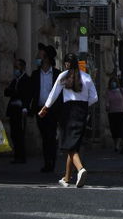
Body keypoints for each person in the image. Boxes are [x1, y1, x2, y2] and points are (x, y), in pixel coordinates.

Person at [39, 53, 98, 187]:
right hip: (82, 111)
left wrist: (45, 107)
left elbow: (53, 93)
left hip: (68, 111)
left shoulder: (63, 76)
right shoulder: (87, 77)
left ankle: (80, 169)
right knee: (74, 145)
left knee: (68, 145)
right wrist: (84, 105)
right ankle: (66, 178)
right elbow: (95, 98)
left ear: (66, 63)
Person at [3, 57, 36, 165]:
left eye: (17, 67)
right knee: (14, 133)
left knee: (19, 134)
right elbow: (7, 92)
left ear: (22, 67)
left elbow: (27, 95)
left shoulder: (27, 80)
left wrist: (25, 106)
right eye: (14, 67)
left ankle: (21, 156)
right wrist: (14, 92)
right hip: (13, 109)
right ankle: (17, 155)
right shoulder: (15, 80)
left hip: (21, 110)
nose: (15, 70)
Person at [34, 44, 59, 173]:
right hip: (40, 110)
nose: (38, 58)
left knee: (51, 136)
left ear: (47, 58)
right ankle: (46, 161)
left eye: (40, 56)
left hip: (52, 111)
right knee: (44, 137)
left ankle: (51, 161)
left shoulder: (56, 74)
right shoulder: (35, 74)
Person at [105, 74, 123, 147]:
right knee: (113, 129)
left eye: (114, 81)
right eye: (112, 82)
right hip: (112, 113)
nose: (113, 83)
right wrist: (107, 106)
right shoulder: (108, 92)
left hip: (121, 112)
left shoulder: (122, 90)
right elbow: (107, 101)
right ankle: (116, 143)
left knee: (120, 128)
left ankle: (117, 144)